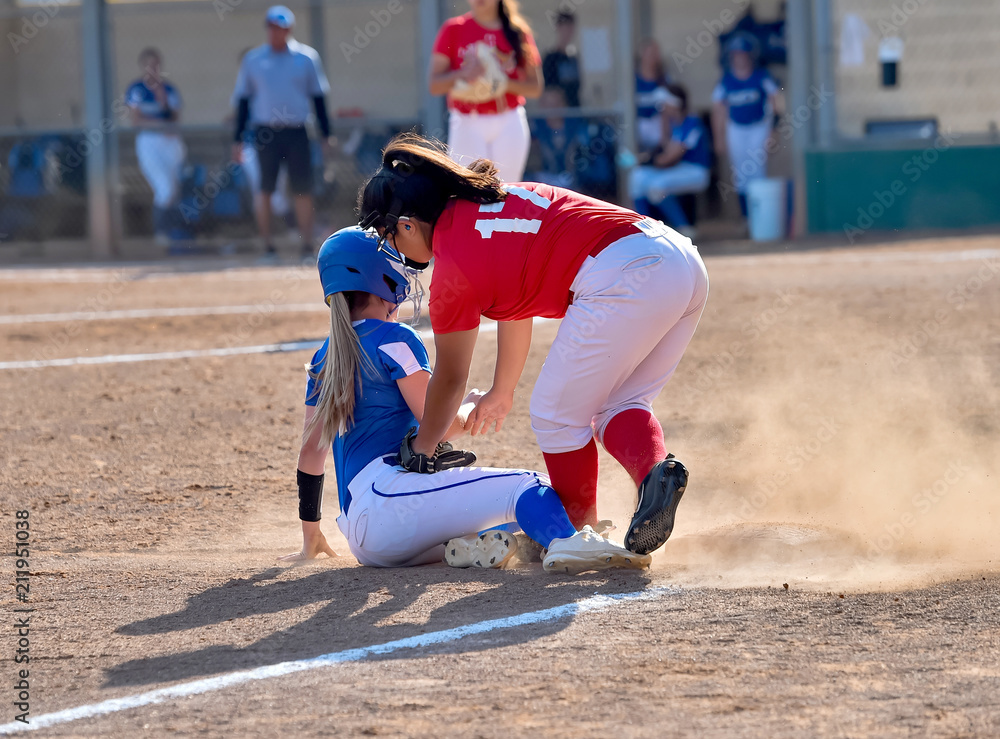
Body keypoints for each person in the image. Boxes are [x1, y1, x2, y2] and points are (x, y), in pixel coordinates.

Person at [357, 134, 709, 557]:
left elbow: (449, 378)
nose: (391, 246)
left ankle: (580, 535)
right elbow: (514, 303)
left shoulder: (452, 267)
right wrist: (501, 391)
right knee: (619, 403)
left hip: (626, 273)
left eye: (388, 235)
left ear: (408, 223)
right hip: (681, 261)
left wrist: (421, 448)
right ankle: (656, 472)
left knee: (555, 415)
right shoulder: (488, 199)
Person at [279, 226, 650, 575]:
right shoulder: (393, 338)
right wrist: (472, 406)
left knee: (493, 518)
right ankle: (570, 542)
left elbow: (311, 453)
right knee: (529, 485)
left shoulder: (323, 357)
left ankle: (472, 547)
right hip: (389, 502)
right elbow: (435, 424)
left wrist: (311, 534)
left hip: (365, 542)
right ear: (382, 278)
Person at [231, 5, 334, 259]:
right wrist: (237, 139)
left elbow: (318, 98)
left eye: (281, 27)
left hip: (298, 131)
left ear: (289, 29)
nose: (276, 32)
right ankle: (267, 245)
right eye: (272, 27)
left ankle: (307, 245)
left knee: (302, 188)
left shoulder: (306, 57)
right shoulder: (253, 60)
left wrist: (326, 134)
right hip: (266, 132)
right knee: (264, 189)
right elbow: (243, 101)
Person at [428, 0, 543, 181]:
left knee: (507, 190)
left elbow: (535, 88)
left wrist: (502, 83)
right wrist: (464, 73)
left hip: (508, 120)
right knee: (467, 190)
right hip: (466, 120)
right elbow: (435, 85)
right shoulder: (453, 28)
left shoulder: (517, 31)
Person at [711, 33, 784, 218]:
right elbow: (718, 109)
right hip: (736, 128)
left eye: (743, 54)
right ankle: (746, 218)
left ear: (750, 56)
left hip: (759, 127)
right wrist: (718, 138)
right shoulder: (726, 80)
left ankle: (760, 217)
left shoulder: (761, 76)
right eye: (736, 55)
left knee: (757, 170)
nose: (740, 59)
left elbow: (777, 100)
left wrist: (774, 131)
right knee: (740, 173)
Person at [629, 84, 711, 239]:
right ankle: (642, 230)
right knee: (637, 177)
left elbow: (668, 158)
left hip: (696, 171)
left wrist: (647, 160)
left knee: (657, 186)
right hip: (679, 169)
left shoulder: (692, 123)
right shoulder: (674, 124)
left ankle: (685, 229)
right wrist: (664, 121)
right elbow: (665, 147)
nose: (662, 109)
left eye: (665, 105)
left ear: (675, 105)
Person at [126, 48, 186, 248]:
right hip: (149, 142)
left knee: (173, 189)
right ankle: (161, 233)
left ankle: (174, 234)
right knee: (165, 188)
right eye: (149, 65)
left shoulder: (168, 89)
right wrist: (159, 125)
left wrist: (162, 101)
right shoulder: (137, 88)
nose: (153, 69)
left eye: (156, 65)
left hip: (170, 142)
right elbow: (135, 121)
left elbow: (175, 118)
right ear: (143, 67)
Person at [635, 39, 673, 155]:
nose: (654, 57)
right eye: (650, 53)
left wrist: (665, 139)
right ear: (642, 55)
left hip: (657, 127)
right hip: (638, 125)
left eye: (656, 54)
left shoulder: (665, 79)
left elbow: (667, 111)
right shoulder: (633, 80)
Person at [542, 11, 582, 107]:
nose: (569, 32)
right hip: (560, 112)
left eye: (571, 28)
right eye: (566, 27)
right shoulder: (550, 58)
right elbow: (549, 89)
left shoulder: (574, 58)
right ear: (558, 28)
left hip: (575, 110)